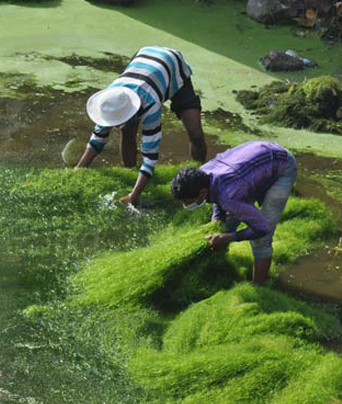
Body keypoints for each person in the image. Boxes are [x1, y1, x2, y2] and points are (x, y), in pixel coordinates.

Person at [76, 46, 207, 205]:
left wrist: (134, 196)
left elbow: (150, 157)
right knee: (127, 130)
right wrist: (78, 170)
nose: (115, 126)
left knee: (196, 134)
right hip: (142, 59)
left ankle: (201, 178)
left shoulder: (150, 104)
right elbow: (97, 139)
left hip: (172, 65)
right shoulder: (110, 99)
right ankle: (130, 173)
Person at [169, 140, 297, 285]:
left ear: (202, 193)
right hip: (255, 163)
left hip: (282, 165)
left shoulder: (229, 196)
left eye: (187, 200)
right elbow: (216, 192)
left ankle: (259, 287)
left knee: (261, 240)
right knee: (224, 226)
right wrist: (217, 219)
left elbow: (263, 227)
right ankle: (219, 271)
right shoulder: (203, 174)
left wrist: (229, 238)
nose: (185, 205)